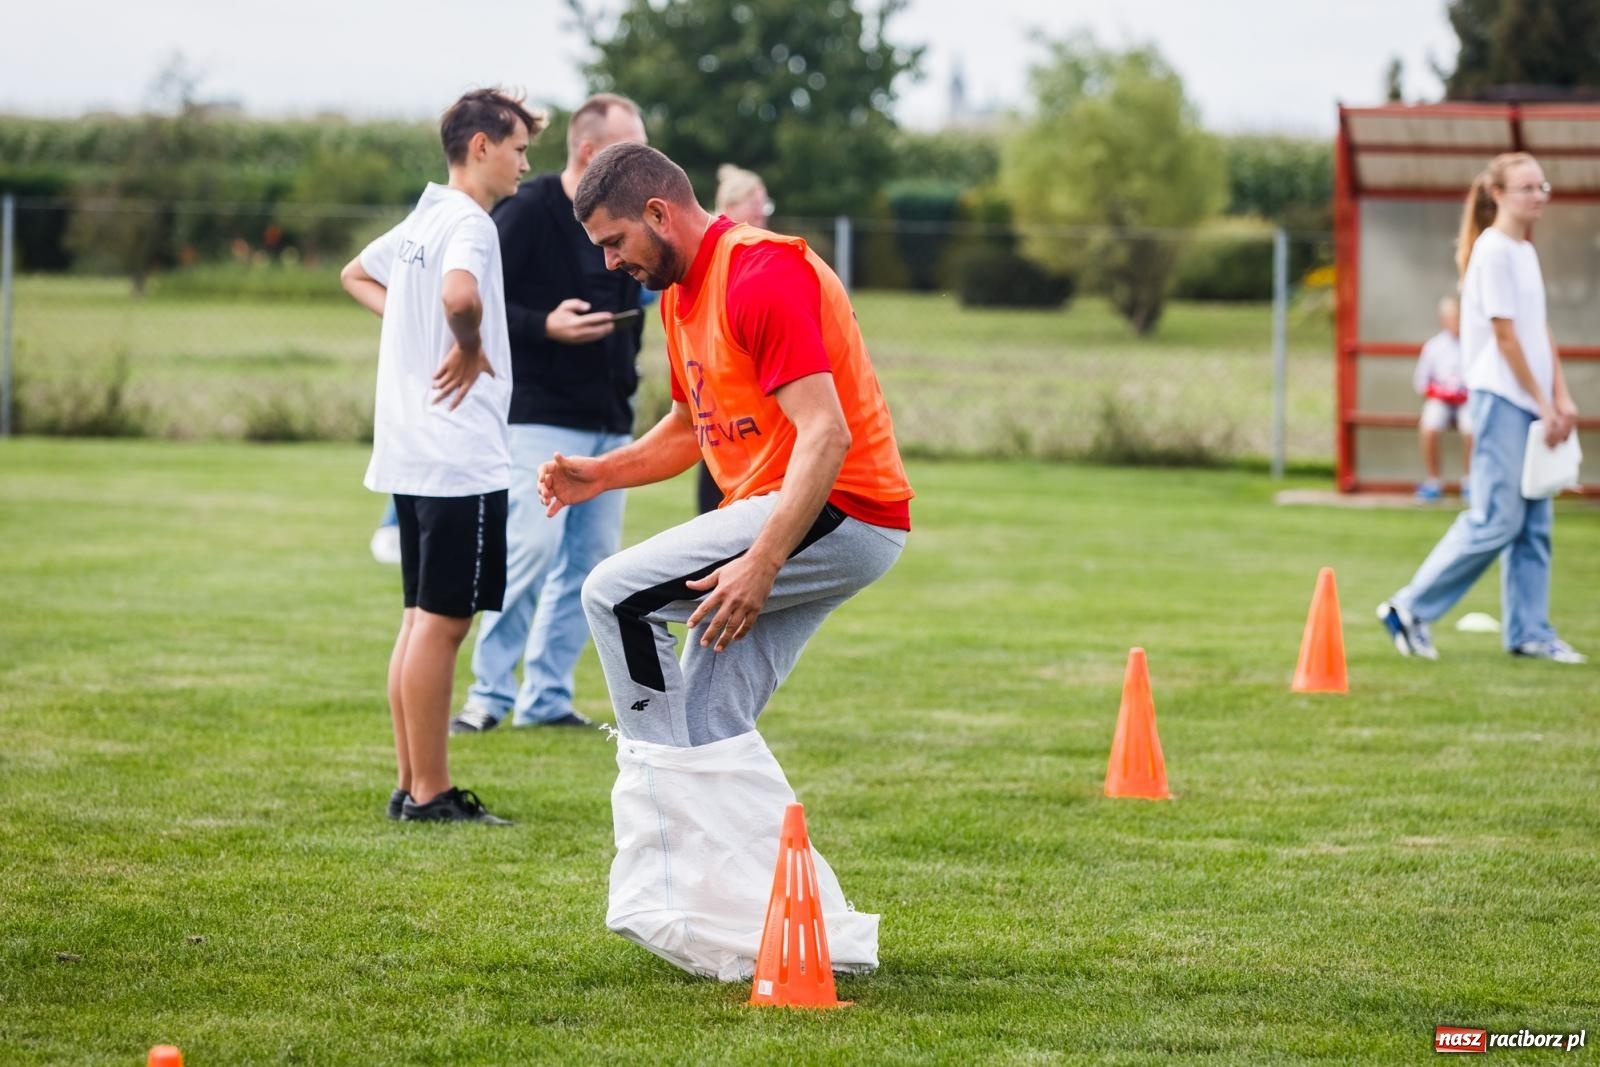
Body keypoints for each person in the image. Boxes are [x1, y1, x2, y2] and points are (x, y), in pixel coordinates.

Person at [542, 143, 913, 977]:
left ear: (659, 214)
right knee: (708, 716)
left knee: (615, 595)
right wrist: (597, 474)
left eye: (613, 243)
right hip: (787, 514)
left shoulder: (759, 274)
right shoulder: (679, 297)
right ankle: (769, 925)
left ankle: (654, 828)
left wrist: (762, 564)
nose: (609, 262)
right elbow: (687, 431)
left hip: (839, 506)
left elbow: (826, 434)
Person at [339, 88, 545, 822]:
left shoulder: (424, 218)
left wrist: (416, 323)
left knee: (420, 620)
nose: (526, 163)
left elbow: (354, 274)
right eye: (519, 148)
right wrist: (464, 342)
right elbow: (461, 296)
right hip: (457, 455)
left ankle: (409, 783)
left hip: (412, 451)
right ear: (482, 145)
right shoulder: (469, 225)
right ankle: (429, 792)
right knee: (444, 624)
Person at [449, 94, 649, 735]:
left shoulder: (624, 219)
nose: (642, 163)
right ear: (590, 152)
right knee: (528, 554)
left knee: (590, 569)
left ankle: (547, 698)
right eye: (629, 149)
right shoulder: (527, 212)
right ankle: (488, 695)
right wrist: (546, 326)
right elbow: (471, 303)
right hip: (537, 417)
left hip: (610, 420)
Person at [1377, 152, 1585, 664]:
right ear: (1498, 195)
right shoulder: (1492, 252)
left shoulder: (1524, 252)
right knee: (1496, 519)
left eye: (1543, 186)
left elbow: (1539, 332)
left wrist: (1561, 398)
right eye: (1527, 188)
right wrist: (1541, 402)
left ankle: (1529, 632)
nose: (1539, 195)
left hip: (1532, 404)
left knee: (1534, 523)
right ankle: (1409, 607)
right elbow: (1506, 337)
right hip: (1501, 401)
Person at [688, 163, 777, 515]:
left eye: (765, 206)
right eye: (756, 205)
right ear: (729, 209)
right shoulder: (710, 266)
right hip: (725, 420)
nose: (762, 214)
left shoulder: (767, 258)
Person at [1413, 295, 1473, 502]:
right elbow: (1421, 383)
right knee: (1429, 426)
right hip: (1441, 400)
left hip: (1468, 400)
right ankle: (1433, 482)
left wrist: (1465, 393)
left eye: (1459, 316)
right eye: (1452, 317)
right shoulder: (1434, 346)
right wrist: (1441, 393)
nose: (1456, 321)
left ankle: (1470, 482)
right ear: (1443, 319)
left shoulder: (1474, 344)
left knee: (1472, 429)